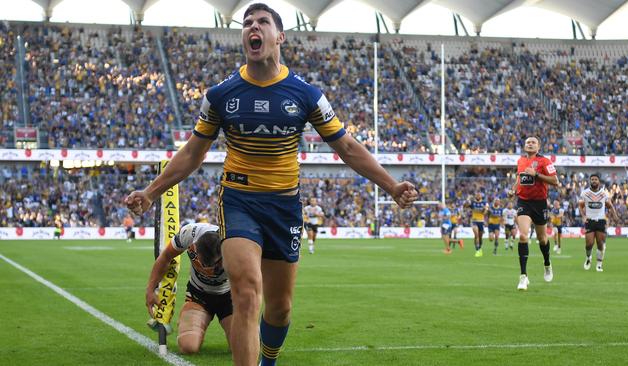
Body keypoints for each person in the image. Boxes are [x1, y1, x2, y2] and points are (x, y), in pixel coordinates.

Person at [125, 4, 418, 365]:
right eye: (247, 22)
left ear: (279, 36)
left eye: (263, 22)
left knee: (279, 309)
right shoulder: (221, 95)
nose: (253, 26)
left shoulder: (306, 94)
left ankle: (268, 361)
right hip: (238, 201)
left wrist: (391, 186)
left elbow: (347, 146)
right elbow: (192, 153)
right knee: (247, 291)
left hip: (284, 206)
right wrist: (151, 191)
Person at [146, 222, 232, 354]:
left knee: (242, 346)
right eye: (203, 263)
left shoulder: (234, 245)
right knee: (188, 347)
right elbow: (165, 257)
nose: (207, 270)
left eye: (214, 265)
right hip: (199, 295)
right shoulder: (189, 233)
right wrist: (150, 290)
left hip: (230, 296)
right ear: (195, 248)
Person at [511, 136, 559, 291]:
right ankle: (523, 277)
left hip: (539, 203)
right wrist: (514, 189)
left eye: (533, 142)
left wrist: (536, 175)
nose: (529, 144)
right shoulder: (520, 161)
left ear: (538, 146)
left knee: (542, 239)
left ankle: (547, 263)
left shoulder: (545, 161)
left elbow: (555, 181)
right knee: (523, 236)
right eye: (527, 142)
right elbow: (519, 178)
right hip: (523, 202)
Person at [578, 174, 619, 272]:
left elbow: (610, 206)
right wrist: (583, 216)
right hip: (590, 220)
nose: (594, 181)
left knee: (600, 244)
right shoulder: (585, 193)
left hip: (601, 220)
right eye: (592, 179)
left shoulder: (604, 194)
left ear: (599, 181)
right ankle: (588, 258)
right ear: (590, 181)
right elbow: (580, 206)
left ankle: (599, 264)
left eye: (595, 179)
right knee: (589, 244)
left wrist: (615, 215)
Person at [466, 192, 488, 257]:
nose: (478, 196)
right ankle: (477, 250)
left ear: (481, 196)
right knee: (476, 234)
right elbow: (466, 206)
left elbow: (485, 213)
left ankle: (480, 248)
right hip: (474, 220)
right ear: (475, 196)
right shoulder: (473, 202)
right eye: (477, 195)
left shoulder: (484, 203)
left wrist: (484, 209)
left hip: (481, 221)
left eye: (479, 195)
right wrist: (468, 199)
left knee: (480, 237)